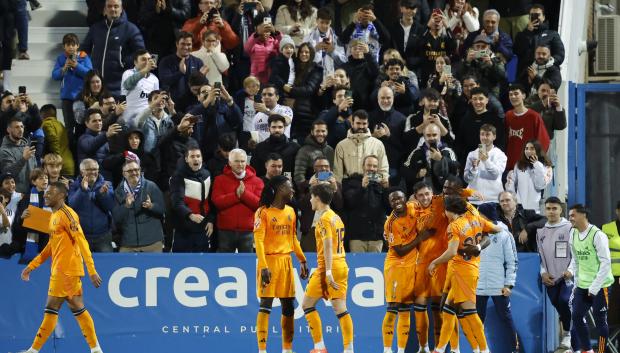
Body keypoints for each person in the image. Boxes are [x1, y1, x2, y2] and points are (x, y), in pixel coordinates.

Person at [19, 181, 104, 353]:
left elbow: (82, 242)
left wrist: (92, 270)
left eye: (50, 193)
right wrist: (32, 266)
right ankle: (96, 350)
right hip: (62, 271)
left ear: (61, 195)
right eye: (45, 193)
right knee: (77, 308)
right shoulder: (53, 216)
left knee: (52, 308)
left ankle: (33, 351)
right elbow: (51, 247)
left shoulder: (67, 214)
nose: (46, 195)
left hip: (66, 272)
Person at [428, 196, 500, 353]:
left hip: (463, 271)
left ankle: (483, 349)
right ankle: (440, 349)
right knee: (447, 311)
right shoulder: (475, 218)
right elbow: (496, 229)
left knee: (470, 313)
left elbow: (452, 252)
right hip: (467, 268)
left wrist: (434, 262)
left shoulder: (454, 226)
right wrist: (478, 246)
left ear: (449, 210)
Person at [254, 175, 309, 353]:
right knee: (266, 305)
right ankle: (262, 350)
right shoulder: (263, 212)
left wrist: (302, 259)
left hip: (286, 262)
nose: (292, 190)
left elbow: (293, 238)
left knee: (288, 307)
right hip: (269, 261)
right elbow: (259, 240)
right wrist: (263, 266)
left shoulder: (291, 212)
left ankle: (287, 349)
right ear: (279, 190)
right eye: (289, 187)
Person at [302, 183, 354, 353]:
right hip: (341, 264)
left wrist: (328, 272)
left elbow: (328, 246)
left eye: (311, 197)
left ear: (317, 198)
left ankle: (319, 347)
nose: (310, 200)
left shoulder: (324, 218)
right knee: (341, 309)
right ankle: (348, 349)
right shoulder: (335, 217)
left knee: (307, 305)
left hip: (328, 267)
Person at [567, 204, 615, 353]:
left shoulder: (597, 235)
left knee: (600, 322)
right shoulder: (572, 234)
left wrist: (594, 288)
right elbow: (575, 260)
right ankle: (587, 350)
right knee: (576, 315)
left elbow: (606, 262)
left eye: (573, 215)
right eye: (569, 216)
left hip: (601, 286)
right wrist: (575, 282)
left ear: (583, 215)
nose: (570, 218)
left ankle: (601, 351)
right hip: (582, 285)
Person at [475, 203, 519, 353]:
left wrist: (509, 284)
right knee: (475, 321)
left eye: (479, 214)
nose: (477, 217)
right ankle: (479, 350)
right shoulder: (474, 233)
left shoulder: (504, 235)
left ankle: (514, 349)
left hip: (499, 286)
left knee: (506, 319)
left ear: (486, 216)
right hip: (478, 286)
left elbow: (512, 261)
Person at [80, 0, 145, 96]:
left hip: (119, 88)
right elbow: (84, 50)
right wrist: (89, 66)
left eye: (116, 6)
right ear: (105, 9)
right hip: (96, 89)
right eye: (109, 6)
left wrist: (124, 62)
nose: (112, 9)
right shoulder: (95, 28)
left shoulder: (131, 29)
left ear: (121, 9)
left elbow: (141, 54)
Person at [536, 197, 576, 351]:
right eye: (548, 209)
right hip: (550, 278)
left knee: (565, 300)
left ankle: (568, 334)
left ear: (561, 210)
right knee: (558, 303)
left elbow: (576, 253)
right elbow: (540, 255)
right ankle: (568, 330)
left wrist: (571, 271)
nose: (551, 212)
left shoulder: (569, 228)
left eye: (554, 208)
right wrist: (543, 273)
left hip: (567, 277)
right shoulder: (541, 231)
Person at [381, 189, 418, 353]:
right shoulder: (390, 223)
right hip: (396, 266)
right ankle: (387, 349)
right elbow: (400, 251)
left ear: (405, 199)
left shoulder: (413, 207)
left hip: (411, 266)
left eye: (399, 198)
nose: (397, 202)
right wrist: (420, 238)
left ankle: (401, 350)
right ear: (390, 203)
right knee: (393, 307)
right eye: (393, 200)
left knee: (405, 309)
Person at [211, 148, 263, 253]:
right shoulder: (219, 179)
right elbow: (217, 202)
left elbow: (260, 205)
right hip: (225, 229)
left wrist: (244, 194)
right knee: (224, 263)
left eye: (242, 161)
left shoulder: (257, 181)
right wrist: (236, 195)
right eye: (236, 161)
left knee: (247, 263)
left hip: (248, 230)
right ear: (229, 162)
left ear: (246, 162)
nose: (240, 164)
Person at [112, 160, 165, 252]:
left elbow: (162, 210)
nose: (134, 173)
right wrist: (126, 206)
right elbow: (116, 218)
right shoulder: (118, 192)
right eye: (130, 171)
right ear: (124, 174)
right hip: (128, 244)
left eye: (136, 170)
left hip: (152, 243)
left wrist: (151, 206)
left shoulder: (151, 186)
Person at [170, 143, 215, 252]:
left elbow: (210, 201)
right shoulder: (178, 177)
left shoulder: (207, 174)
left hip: (202, 229)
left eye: (198, 156)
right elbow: (177, 202)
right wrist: (190, 215)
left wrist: (210, 220)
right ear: (186, 159)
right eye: (192, 156)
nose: (196, 159)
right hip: (183, 230)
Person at [342, 155, 389, 253]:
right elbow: (350, 203)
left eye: (374, 166)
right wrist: (362, 188)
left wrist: (386, 189)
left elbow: (388, 208)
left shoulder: (381, 185)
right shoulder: (352, 182)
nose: (371, 168)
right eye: (369, 165)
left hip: (377, 237)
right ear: (363, 166)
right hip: (357, 237)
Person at [51, 33, 93, 141]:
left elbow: (90, 74)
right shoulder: (61, 59)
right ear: (63, 46)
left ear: (77, 46)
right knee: (69, 127)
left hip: (82, 98)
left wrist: (76, 66)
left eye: (73, 44)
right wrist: (64, 68)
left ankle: (80, 151)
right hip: (67, 98)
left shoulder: (84, 57)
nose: (71, 47)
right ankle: (70, 152)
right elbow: (54, 76)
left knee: (81, 126)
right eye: (68, 45)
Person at [68, 159, 115, 253]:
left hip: (103, 237)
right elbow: (72, 205)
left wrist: (101, 195)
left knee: (107, 265)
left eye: (95, 169)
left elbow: (110, 207)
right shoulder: (74, 186)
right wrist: (82, 190)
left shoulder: (107, 185)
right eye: (89, 169)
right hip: (81, 236)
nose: (93, 172)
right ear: (82, 172)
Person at [401, 123, 458, 195]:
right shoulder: (417, 152)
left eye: (434, 135)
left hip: (443, 193)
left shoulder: (447, 151)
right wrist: (417, 174)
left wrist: (441, 159)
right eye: (428, 135)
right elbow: (404, 170)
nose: (431, 138)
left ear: (439, 135)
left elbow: (456, 169)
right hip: (423, 194)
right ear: (424, 136)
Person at [454, 87, 505, 167]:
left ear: (487, 100)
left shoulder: (495, 119)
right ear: (471, 101)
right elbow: (459, 142)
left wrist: (492, 159)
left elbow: (501, 143)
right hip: (468, 162)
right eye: (475, 99)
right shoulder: (466, 118)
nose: (478, 102)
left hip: (490, 162)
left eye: (481, 99)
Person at [334, 109, 388, 182]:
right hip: (349, 187)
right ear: (352, 124)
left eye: (364, 123)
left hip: (372, 185)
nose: (361, 126)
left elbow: (383, 170)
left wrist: (369, 178)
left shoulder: (378, 144)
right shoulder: (341, 145)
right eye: (358, 123)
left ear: (368, 124)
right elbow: (338, 173)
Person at [513, 3, 565, 80]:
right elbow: (516, 51)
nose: (535, 17)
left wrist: (546, 63)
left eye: (538, 15)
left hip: (545, 76)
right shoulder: (521, 35)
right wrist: (528, 32)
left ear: (543, 17)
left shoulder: (552, 34)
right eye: (532, 15)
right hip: (524, 75)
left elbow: (560, 55)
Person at [505, 84, 550, 170]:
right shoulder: (508, 116)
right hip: (510, 166)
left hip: (528, 167)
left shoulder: (534, 116)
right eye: (510, 94)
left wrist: (535, 162)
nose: (513, 96)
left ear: (523, 95)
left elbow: (544, 141)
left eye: (516, 93)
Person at [159, 31, 208, 104]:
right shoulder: (166, 61)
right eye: (183, 44)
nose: (186, 47)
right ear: (177, 44)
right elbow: (165, 80)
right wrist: (180, 73)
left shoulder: (198, 62)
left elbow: (203, 86)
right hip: (172, 104)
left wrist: (200, 77)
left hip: (192, 104)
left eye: (189, 44)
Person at [463, 124, 506, 205]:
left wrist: (486, 160)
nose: (484, 137)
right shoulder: (472, 154)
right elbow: (466, 179)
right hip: (474, 200)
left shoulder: (500, 155)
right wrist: (474, 169)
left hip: (493, 200)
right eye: (482, 134)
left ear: (494, 137)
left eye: (487, 134)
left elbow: (495, 175)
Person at [505, 140, 552, 214]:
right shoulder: (519, 165)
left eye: (532, 148)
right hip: (519, 208)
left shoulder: (546, 167)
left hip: (535, 209)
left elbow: (540, 185)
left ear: (537, 150)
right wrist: (513, 199)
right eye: (526, 148)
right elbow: (511, 182)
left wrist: (537, 165)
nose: (528, 151)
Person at [302, 7, 347, 77]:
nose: (324, 25)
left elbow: (344, 62)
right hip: (312, 77)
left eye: (327, 23)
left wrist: (333, 52)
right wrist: (314, 50)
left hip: (332, 77)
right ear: (316, 21)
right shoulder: (307, 38)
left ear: (331, 22)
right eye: (322, 22)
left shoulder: (336, 39)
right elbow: (301, 61)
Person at [120, 49, 159, 127]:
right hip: (130, 119)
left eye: (149, 59)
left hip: (148, 120)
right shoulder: (128, 73)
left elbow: (155, 100)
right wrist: (145, 70)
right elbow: (128, 84)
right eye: (143, 59)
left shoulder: (154, 79)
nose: (147, 62)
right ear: (135, 62)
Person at [1, 116, 37, 193]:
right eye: (16, 127)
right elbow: (8, 173)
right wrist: (24, 159)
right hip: (16, 196)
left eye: (22, 127)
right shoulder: (4, 151)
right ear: (8, 130)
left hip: (32, 193)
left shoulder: (28, 147)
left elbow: (35, 169)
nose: (20, 130)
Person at [387, 0, 424, 73]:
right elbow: (388, 47)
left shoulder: (421, 29)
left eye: (413, 8)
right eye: (407, 8)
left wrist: (407, 62)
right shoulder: (393, 27)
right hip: (393, 68)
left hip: (413, 70)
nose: (410, 11)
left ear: (416, 10)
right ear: (401, 9)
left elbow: (422, 54)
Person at [293, 119, 334, 186]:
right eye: (317, 131)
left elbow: (331, 173)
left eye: (323, 131)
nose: (320, 134)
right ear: (312, 132)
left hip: (328, 189)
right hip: (310, 191)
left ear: (327, 132)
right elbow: (298, 177)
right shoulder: (303, 151)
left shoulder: (330, 150)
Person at [602, 201, 620, 329]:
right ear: (617, 211)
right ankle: (605, 348)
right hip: (609, 279)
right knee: (610, 317)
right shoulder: (605, 228)